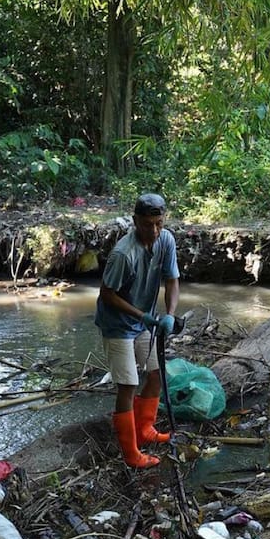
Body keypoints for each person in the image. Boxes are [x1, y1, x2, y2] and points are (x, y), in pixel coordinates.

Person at [95, 192, 179, 469]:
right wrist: (142, 315)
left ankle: (145, 429)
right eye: (147, 224)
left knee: (156, 374)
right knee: (129, 384)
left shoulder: (166, 240)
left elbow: (172, 280)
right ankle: (131, 453)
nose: (153, 230)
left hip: (146, 321)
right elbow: (107, 294)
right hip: (118, 323)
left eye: (158, 223)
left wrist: (169, 314)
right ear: (135, 221)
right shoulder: (123, 254)